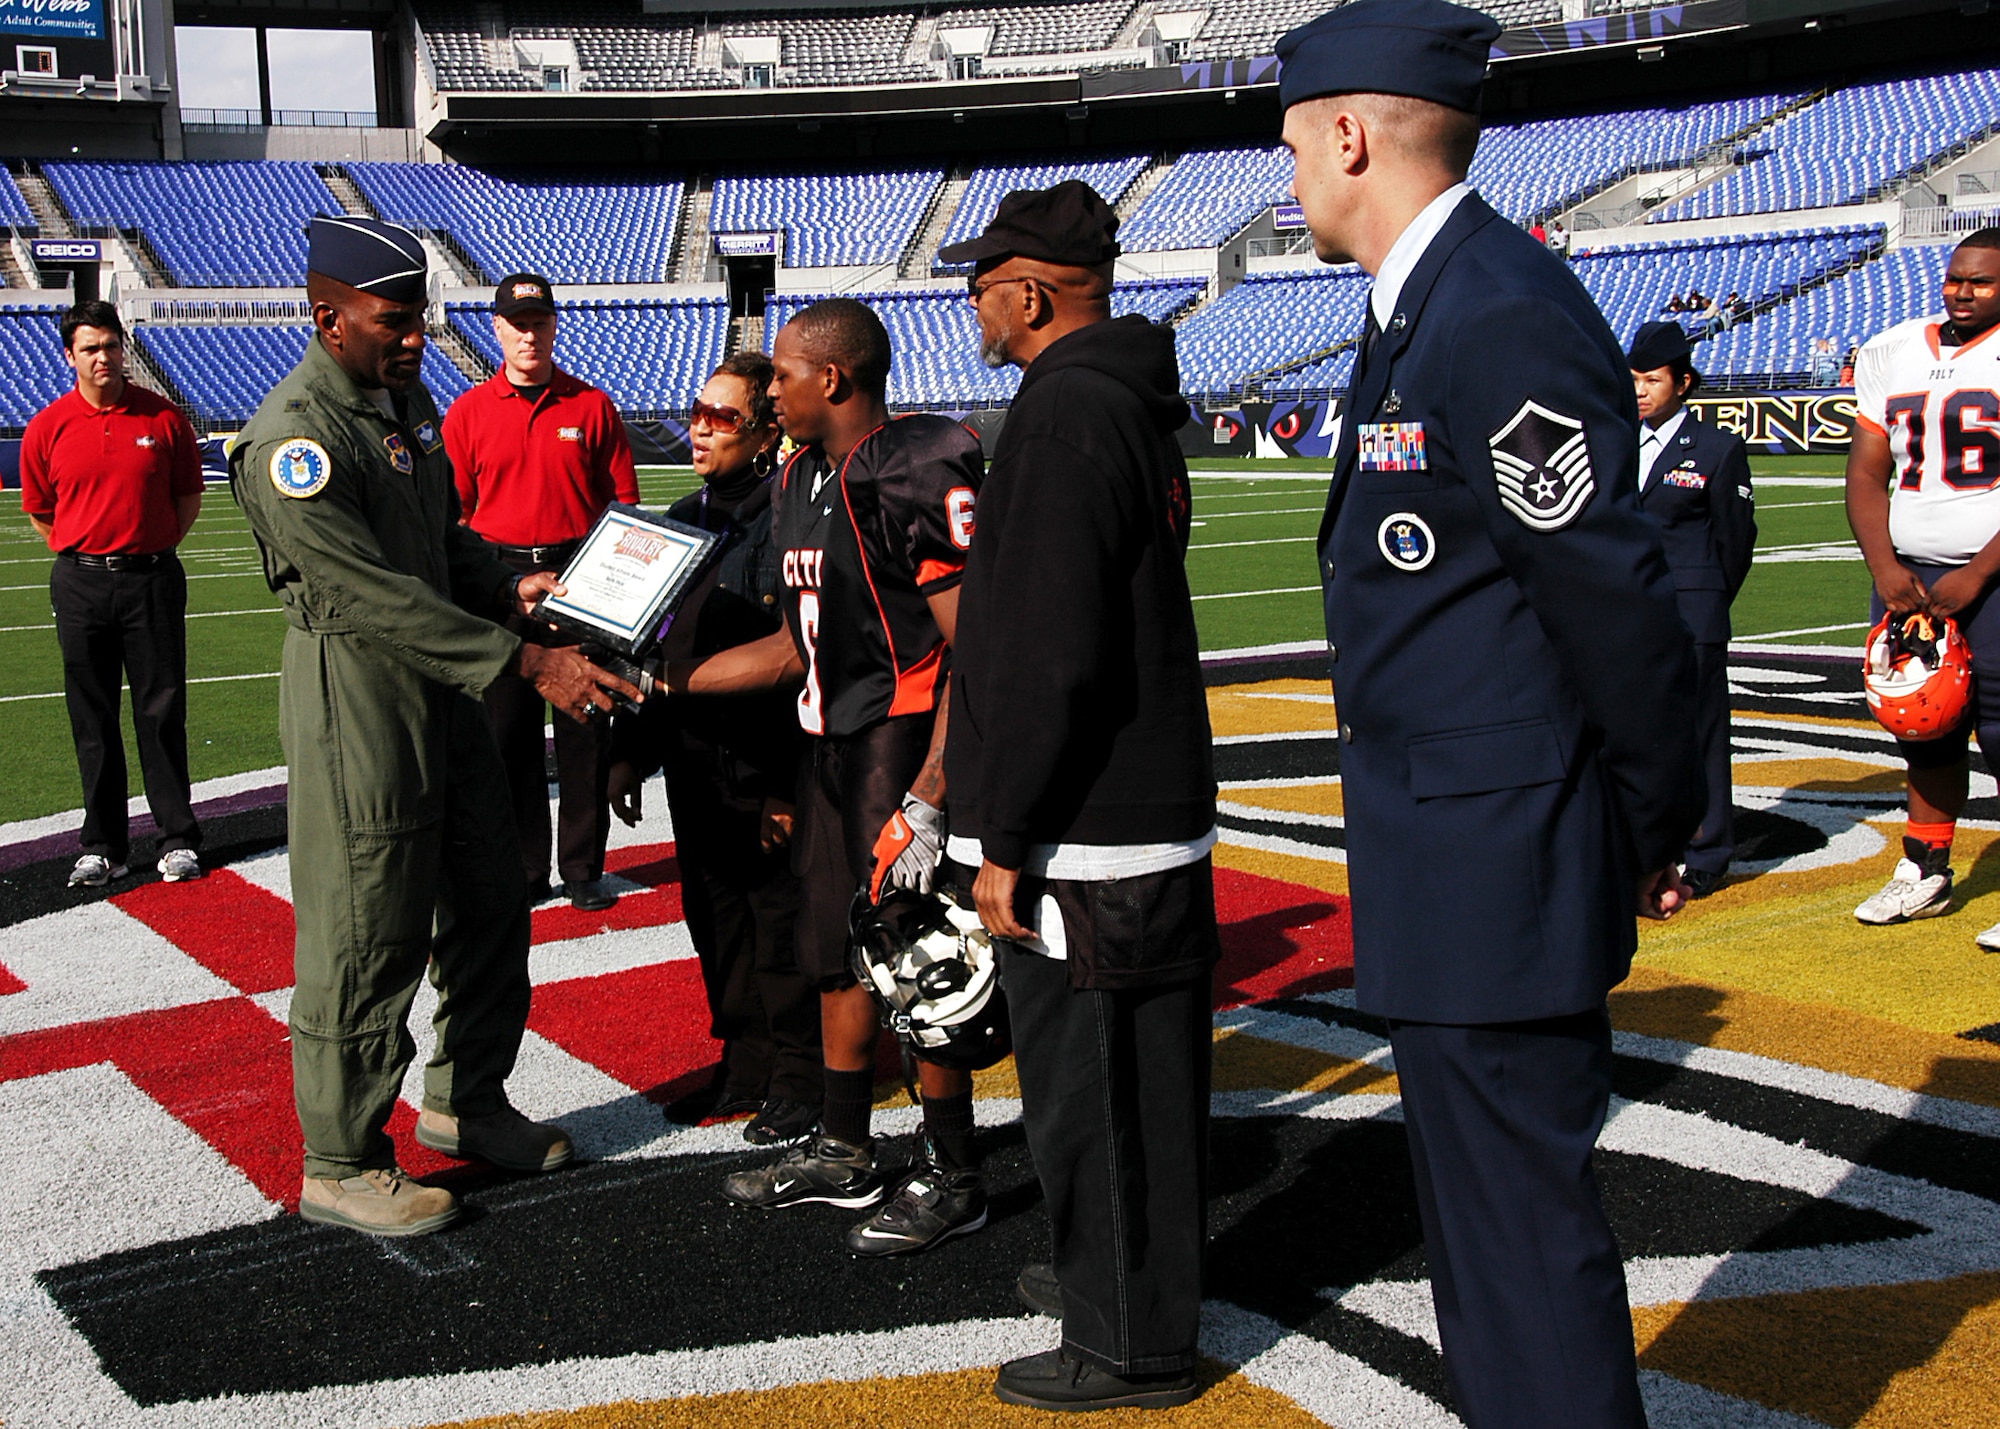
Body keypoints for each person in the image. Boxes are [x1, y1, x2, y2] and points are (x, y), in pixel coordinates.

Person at [1276, 3, 1704, 1426]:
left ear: (1348, 132)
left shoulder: (1495, 306)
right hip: (1462, 856)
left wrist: (1648, 816)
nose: (1287, 174)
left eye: (1292, 142)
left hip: (1503, 857)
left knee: (1519, 1248)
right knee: (1487, 1243)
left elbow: (1612, 596)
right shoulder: (1433, 304)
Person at [231, 216, 638, 1237]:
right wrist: (526, 658)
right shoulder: (295, 439)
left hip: (444, 694)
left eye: (417, 317)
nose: (414, 336)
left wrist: (510, 586)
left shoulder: (397, 403)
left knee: (494, 893)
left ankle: (466, 1101)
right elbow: (368, 595)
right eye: (392, 319)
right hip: (361, 705)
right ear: (329, 316)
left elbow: (437, 544)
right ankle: (342, 1157)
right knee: (368, 927)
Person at [937, 182, 1219, 1412]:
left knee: (1095, 1097)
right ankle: (1122, 1290)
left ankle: (1124, 1341)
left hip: (1091, 830)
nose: (971, 304)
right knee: (1140, 1091)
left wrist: (1003, 834)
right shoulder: (1123, 399)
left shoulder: (1061, 416)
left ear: (1035, 291)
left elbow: (1048, 652)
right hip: (1137, 807)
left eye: (984, 281)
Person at [662, 299, 988, 1255]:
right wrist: (665, 681)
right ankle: (845, 1144)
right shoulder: (799, 478)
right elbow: (787, 647)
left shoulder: (913, 466)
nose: (772, 394)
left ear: (833, 379)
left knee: (918, 958)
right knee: (830, 947)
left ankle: (952, 1165)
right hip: (826, 742)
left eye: (784, 378)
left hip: (898, 734)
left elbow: (977, 648)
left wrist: (933, 788)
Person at [608, 352, 821, 1145]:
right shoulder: (680, 516)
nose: (699, 428)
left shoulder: (790, 517)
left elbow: (799, 656)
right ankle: (745, 1058)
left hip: (768, 760)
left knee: (780, 925)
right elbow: (651, 646)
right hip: (698, 763)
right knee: (716, 919)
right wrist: (632, 751)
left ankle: (802, 1074)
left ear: (766, 431)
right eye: (696, 412)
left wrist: (787, 787)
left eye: (722, 417)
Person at [444, 273, 640, 912]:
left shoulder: (592, 406)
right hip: (499, 581)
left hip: (581, 572)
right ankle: (524, 869)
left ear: (553, 325)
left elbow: (624, 504)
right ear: (496, 329)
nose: (529, 335)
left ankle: (583, 866)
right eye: (516, 323)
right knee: (507, 736)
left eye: (538, 322)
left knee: (586, 724)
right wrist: (499, 584)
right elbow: (458, 515)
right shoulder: (468, 412)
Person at [1845, 229, 2000, 946]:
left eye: (1982, 282)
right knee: (1923, 722)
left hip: (1989, 572)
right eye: (1955, 279)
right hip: (1909, 574)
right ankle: (1926, 869)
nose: (1963, 292)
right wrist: (1883, 564)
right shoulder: (1893, 348)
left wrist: (1979, 570)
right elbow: (1867, 471)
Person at [20, 299, 206, 889]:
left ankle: (176, 838)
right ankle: (103, 844)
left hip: (150, 577)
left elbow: (186, 499)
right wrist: (90, 552)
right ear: (69, 356)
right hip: (80, 583)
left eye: (111, 345)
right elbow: (41, 512)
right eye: (90, 348)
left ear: (123, 348)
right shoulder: (48, 426)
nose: (104, 357)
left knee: (161, 710)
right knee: (92, 715)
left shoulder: (164, 419)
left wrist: (144, 548)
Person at [1630, 321, 1757, 898]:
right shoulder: (1612, 440)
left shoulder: (1717, 448)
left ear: (1683, 383)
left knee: (1702, 734)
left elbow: (1734, 541)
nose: (1640, 390)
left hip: (1692, 612)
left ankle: (1708, 850)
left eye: (1652, 380)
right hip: (1629, 613)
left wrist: (1707, 600)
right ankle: (1642, 841)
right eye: (1633, 379)